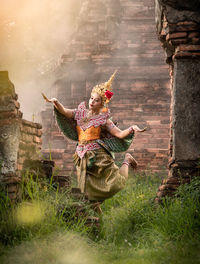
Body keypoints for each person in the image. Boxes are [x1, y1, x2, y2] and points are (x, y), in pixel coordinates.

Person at [42, 71, 146, 205]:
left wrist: (132, 128)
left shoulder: (104, 120)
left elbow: (119, 134)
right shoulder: (80, 113)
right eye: (91, 98)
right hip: (82, 155)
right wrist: (56, 102)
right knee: (86, 193)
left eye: (96, 100)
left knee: (115, 185)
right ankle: (97, 220)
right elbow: (65, 112)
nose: (92, 102)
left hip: (99, 156)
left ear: (102, 103)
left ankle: (127, 160)